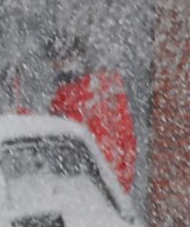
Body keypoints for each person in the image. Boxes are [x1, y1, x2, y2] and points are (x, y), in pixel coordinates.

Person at [47, 34, 138, 194]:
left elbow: (58, 136)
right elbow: (127, 140)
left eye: (56, 61)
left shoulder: (72, 97)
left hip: (90, 187)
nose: (53, 68)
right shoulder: (108, 89)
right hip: (112, 184)